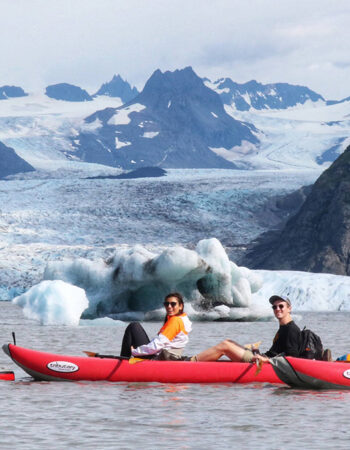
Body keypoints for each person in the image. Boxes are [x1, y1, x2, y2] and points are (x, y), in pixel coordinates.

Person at [192, 294, 301, 364]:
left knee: (225, 345)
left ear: (289, 308)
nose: (277, 309)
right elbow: (276, 352)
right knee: (230, 342)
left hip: (266, 364)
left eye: (281, 306)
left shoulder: (291, 329)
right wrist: (257, 352)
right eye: (274, 307)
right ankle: (195, 360)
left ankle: (189, 362)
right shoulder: (283, 328)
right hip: (262, 359)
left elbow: (292, 358)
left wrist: (266, 360)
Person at [120, 292, 192, 360]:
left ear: (180, 306)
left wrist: (134, 351)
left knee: (133, 326)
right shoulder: (183, 320)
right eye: (167, 304)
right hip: (166, 356)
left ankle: (123, 360)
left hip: (157, 358)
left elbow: (156, 346)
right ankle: (124, 360)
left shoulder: (175, 321)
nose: (169, 306)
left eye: (173, 304)